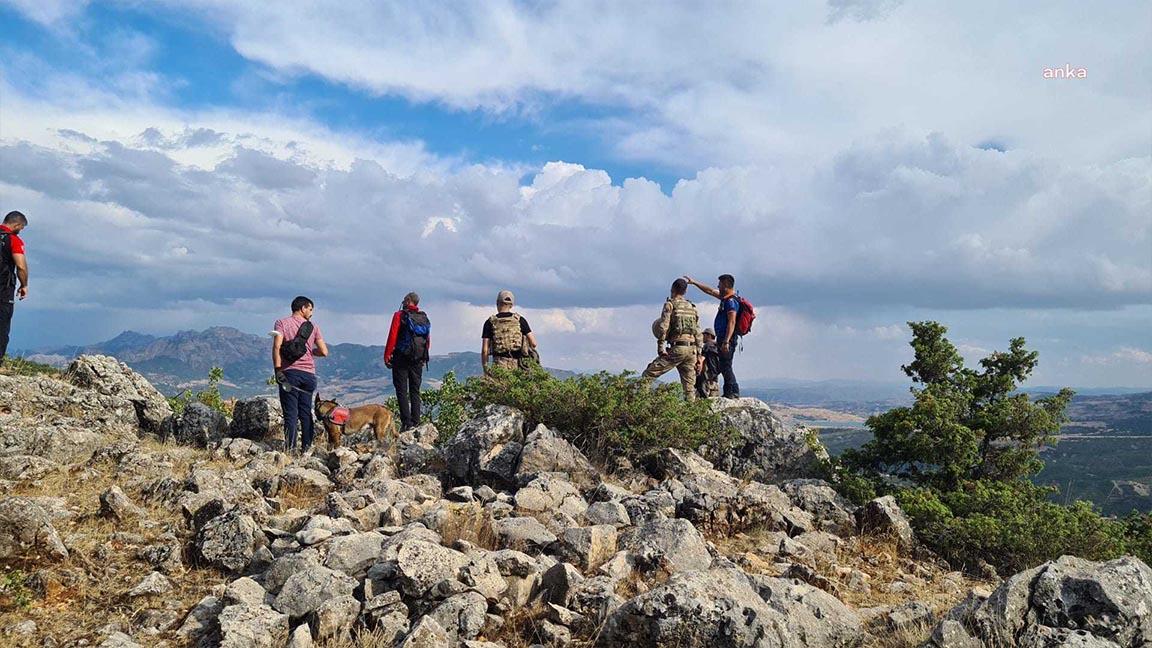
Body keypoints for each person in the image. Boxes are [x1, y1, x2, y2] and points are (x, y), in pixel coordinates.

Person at [272, 296, 328, 453]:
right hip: (309, 375)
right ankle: (307, 449)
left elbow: (277, 346)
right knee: (305, 412)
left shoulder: (281, 323)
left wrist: (277, 369)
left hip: (290, 374)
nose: (311, 313)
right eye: (310, 309)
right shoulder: (314, 327)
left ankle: (290, 449)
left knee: (291, 413)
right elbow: (324, 352)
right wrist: (310, 351)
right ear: (303, 308)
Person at [641, 278, 701, 401]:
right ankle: (692, 415)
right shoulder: (692, 307)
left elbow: (664, 326)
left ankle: (641, 406)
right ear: (685, 291)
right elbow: (698, 332)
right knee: (689, 388)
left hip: (677, 348)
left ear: (672, 289)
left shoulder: (670, 304)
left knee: (648, 375)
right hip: (692, 350)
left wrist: (660, 347)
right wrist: (699, 355)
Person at [684, 274, 740, 397]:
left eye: (719, 284)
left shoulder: (731, 301)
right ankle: (730, 392)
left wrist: (726, 341)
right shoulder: (725, 298)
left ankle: (732, 392)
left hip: (727, 339)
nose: (717, 286)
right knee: (725, 365)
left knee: (726, 365)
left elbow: (732, 321)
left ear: (725, 284)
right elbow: (709, 291)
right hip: (722, 338)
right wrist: (694, 282)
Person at [384, 292, 430, 431]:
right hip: (418, 359)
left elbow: (392, 336)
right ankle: (416, 421)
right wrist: (423, 357)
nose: (402, 302)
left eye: (404, 300)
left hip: (401, 358)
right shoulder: (423, 317)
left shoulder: (399, 315)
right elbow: (427, 340)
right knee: (415, 390)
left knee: (402, 390)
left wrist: (387, 356)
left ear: (408, 301)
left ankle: (406, 423)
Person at [481, 290, 538, 373]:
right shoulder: (520, 320)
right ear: (511, 305)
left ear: (497, 303)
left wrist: (485, 369)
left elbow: (485, 350)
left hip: (499, 364)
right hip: (518, 365)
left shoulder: (490, 322)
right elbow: (533, 343)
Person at [0, 211, 29, 366]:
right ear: (17, 224)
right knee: (2, 327)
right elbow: (21, 266)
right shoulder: (14, 240)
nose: (21, 230)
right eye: (22, 227)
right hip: (3, 290)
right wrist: (24, 285)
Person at [695, 327, 721, 398]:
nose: (702, 337)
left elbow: (702, 359)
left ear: (709, 335)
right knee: (714, 404)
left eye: (704, 335)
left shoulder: (707, 346)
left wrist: (698, 368)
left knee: (701, 404)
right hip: (715, 380)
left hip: (706, 379)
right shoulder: (718, 347)